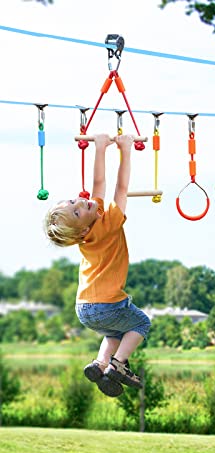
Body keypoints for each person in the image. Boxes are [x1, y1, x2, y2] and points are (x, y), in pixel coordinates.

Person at [44, 134, 150, 397]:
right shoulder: (108, 222)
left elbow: (98, 184)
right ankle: (118, 365)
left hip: (84, 307)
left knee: (116, 332)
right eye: (76, 211)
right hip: (106, 303)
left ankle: (100, 363)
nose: (81, 202)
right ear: (81, 230)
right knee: (140, 324)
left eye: (73, 202)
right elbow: (120, 188)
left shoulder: (90, 229)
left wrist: (101, 147)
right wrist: (125, 150)